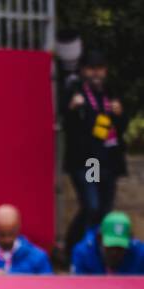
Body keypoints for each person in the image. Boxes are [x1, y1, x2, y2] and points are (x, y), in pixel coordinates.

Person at [62, 50, 128, 253]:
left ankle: (98, 251)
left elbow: (121, 127)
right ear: (83, 71)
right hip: (90, 161)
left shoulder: (111, 92)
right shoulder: (76, 91)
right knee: (92, 206)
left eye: (99, 69)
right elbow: (66, 126)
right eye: (91, 69)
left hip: (109, 159)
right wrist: (72, 109)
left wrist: (120, 114)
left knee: (105, 209)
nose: (96, 74)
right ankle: (77, 248)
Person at [71, 211, 144, 275]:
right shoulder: (83, 254)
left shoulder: (140, 255)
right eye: (110, 247)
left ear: (130, 240)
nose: (114, 253)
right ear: (99, 238)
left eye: (120, 248)